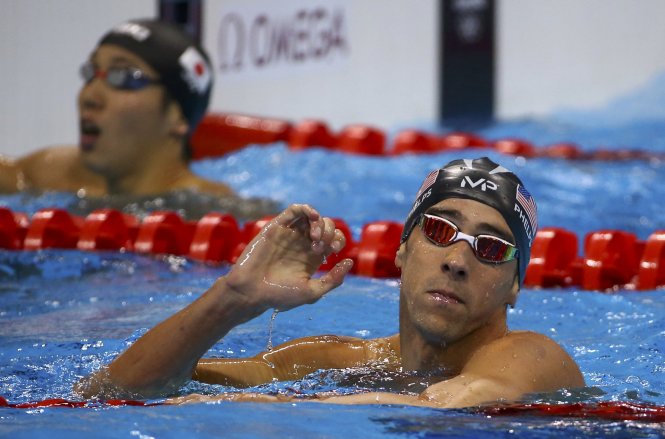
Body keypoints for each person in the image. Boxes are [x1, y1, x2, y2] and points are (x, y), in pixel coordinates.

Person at [75, 157, 585, 408]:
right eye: (439, 230)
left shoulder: (535, 357)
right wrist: (230, 300)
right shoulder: (339, 362)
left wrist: (274, 406)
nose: (456, 261)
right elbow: (111, 392)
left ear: (514, 285)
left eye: (491, 248)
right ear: (402, 248)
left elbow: (449, 408)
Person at [0, 18, 233, 197]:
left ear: (177, 116)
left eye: (123, 77)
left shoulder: (212, 211)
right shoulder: (56, 175)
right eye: (91, 73)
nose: (89, 96)